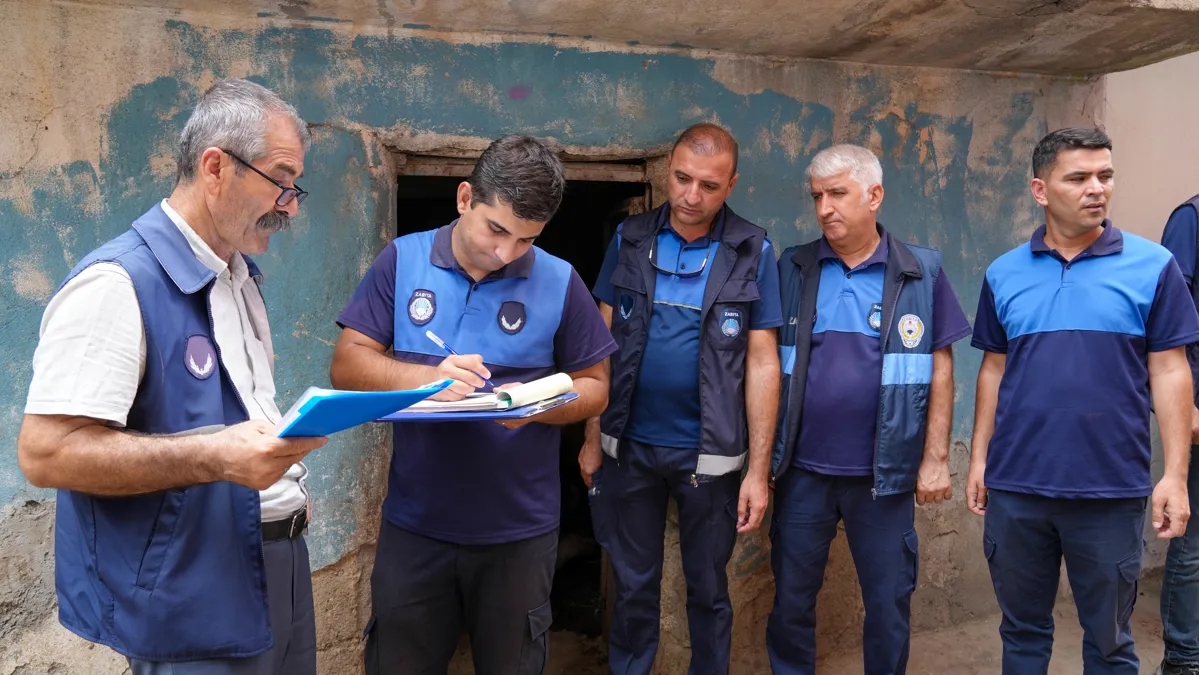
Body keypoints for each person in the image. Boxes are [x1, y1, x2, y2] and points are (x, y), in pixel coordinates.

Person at [16, 79, 326, 674]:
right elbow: (47, 453)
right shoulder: (116, 284)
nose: (291, 205)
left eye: (295, 187)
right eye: (281, 181)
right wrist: (213, 456)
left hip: (281, 564)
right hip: (194, 597)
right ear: (216, 167)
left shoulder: (239, 277)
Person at [329, 134, 617, 675]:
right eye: (497, 230)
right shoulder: (403, 260)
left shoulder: (559, 279)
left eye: (526, 239)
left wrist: (534, 407)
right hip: (416, 527)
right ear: (465, 198)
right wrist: (426, 377)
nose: (506, 253)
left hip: (519, 533)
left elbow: (596, 385)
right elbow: (347, 363)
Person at [967, 127, 1198, 674]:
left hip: (1110, 490)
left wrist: (1174, 476)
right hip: (1018, 488)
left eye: (1105, 176)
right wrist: (978, 458)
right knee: (1022, 634)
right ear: (1040, 190)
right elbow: (993, 370)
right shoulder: (1003, 273)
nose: (1097, 188)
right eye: (1079, 178)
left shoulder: (1153, 266)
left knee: (1110, 643)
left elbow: (1171, 370)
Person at [581, 122, 783, 675]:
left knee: (709, 591)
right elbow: (600, 343)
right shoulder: (629, 239)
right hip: (630, 449)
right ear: (668, 169)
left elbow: (763, 363)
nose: (691, 196)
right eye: (682, 179)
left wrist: (757, 472)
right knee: (632, 588)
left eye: (709, 186)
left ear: (731, 185)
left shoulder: (754, 250)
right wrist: (592, 437)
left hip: (711, 458)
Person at [765, 144, 972, 675]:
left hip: (885, 477)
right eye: (817, 196)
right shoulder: (794, 266)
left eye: (837, 194)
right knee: (790, 602)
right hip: (802, 473)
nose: (825, 208)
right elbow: (764, 363)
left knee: (888, 604)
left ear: (874, 195)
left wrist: (935, 458)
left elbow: (941, 367)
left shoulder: (920, 271)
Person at [1157, 191, 1199, 675]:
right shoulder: (1191, 218)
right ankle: (1184, 657)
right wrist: (1189, 408)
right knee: (1192, 547)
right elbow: (1173, 325)